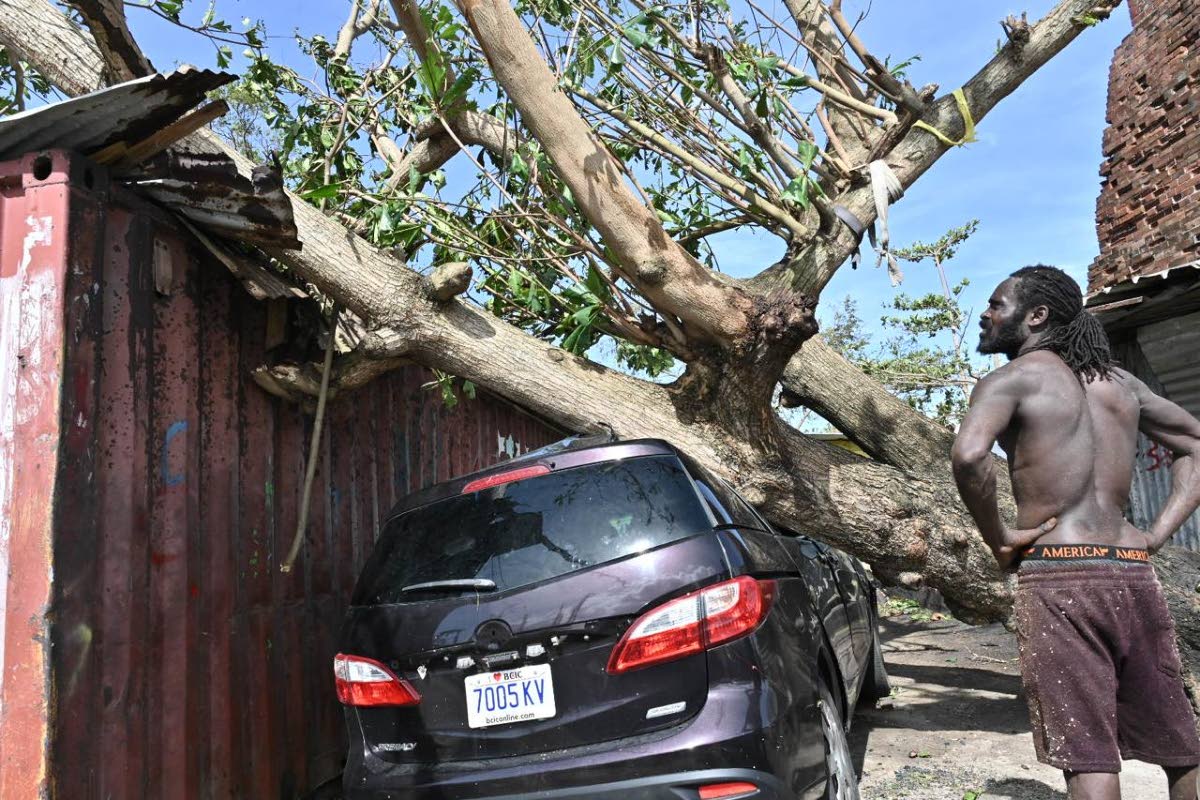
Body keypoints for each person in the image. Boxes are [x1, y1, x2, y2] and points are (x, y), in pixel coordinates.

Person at [951, 265, 1200, 800]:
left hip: (1059, 576)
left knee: (1088, 755)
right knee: (1178, 746)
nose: (985, 314)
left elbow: (971, 456)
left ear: (1036, 316)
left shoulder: (1009, 380)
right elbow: (1196, 444)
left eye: (996, 305)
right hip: (1134, 574)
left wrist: (998, 538)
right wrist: (1155, 534)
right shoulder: (1122, 385)